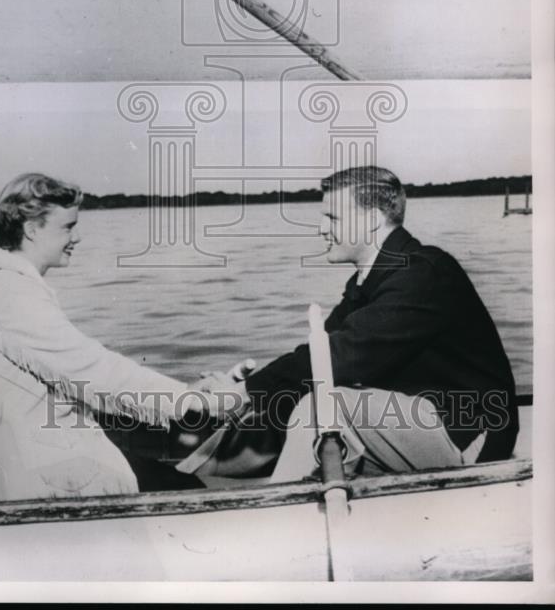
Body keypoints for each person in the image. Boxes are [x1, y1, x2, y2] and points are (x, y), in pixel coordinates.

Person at [184, 166, 518, 481]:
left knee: (320, 404)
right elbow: (317, 357)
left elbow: (336, 358)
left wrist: (243, 393)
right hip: (417, 422)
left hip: (471, 436)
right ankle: (187, 481)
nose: (321, 228)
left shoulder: (424, 272)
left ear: (371, 221)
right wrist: (239, 390)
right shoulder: (371, 279)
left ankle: (279, 516)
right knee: (286, 396)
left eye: (332, 217)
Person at [0, 171, 233, 502]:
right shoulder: (15, 299)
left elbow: (85, 375)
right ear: (32, 230)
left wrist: (185, 393)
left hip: (28, 462)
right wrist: (191, 400)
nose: (76, 237)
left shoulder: (12, 289)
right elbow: (100, 372)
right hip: (37, 477)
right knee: (189, 493)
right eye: (68, 227)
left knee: (168, 478)